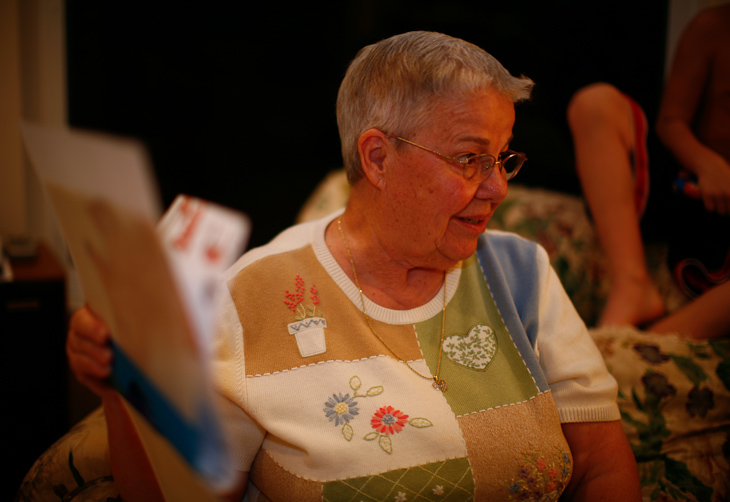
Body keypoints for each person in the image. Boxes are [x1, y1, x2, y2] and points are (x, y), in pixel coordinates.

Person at [67, 31, 641, 501]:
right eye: (470, 159)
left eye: (502, 158)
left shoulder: (522, 273)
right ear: (377, 157)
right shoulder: (251, 296)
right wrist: (122, 387)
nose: (496, 188)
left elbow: (602, 470)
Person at [567, 4, 730, 339]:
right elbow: (671, 122)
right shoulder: (714, 25)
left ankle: (644, 347)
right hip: (687, 188)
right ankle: (632, 284)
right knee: (593, 104)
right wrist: (705, 162)